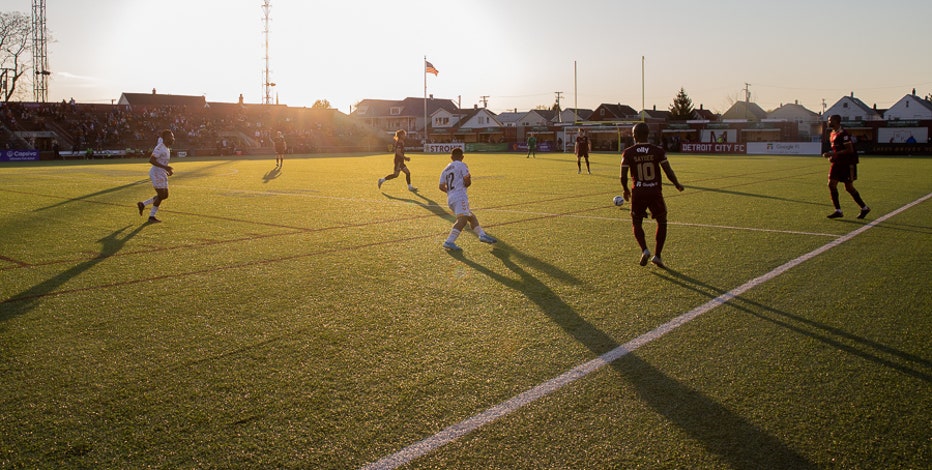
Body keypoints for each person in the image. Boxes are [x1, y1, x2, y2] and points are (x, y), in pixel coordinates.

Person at [620, 122, 684, 268]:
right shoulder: (657, 151)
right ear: (648, 135)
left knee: (636, 222)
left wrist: (625, 189)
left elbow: (623, 175)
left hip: (638, 192)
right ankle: (658, 255)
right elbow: (668, 171)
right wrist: (677, 184)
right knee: (661, 222)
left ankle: (645, 249)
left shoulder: (628, 152)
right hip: (654, 191)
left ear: (634, 135)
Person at [438, 148, 497, 251]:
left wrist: (450, 192)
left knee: (470, 216)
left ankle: (482, 235)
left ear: (451, 157)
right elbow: (467, 181)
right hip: (459, 196)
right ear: (462, 157)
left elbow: (441, 186)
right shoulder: (462, 165)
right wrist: (467, 182)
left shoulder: (445, 169)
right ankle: (449, 241)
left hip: (450, 198)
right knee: (463, 220)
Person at [822, 114, 870, 219]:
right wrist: (833, 156)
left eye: (830, 120)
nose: (828, 122)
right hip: (837, 163)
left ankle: (864, 208)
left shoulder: (843, 134)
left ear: (836, 121)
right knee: (831, 184)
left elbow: (850, 150)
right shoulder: (832, 133)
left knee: (849, 187)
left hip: (847, 164)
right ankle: (838, 210)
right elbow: (837, 150)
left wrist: (833, 154)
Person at [137, 129, 175, 223]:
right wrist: (165, 167)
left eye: (173, 137)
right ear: (165, 138)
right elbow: (152, 160)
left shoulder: (167, 148)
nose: (173, 139)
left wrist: (166, 171)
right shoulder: (160, 147)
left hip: (161, 173)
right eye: (171, 137)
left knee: (164, 195)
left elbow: (162, 162)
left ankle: (143, 204)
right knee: (161, 195)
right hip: (156, 174)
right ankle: (151, 216)